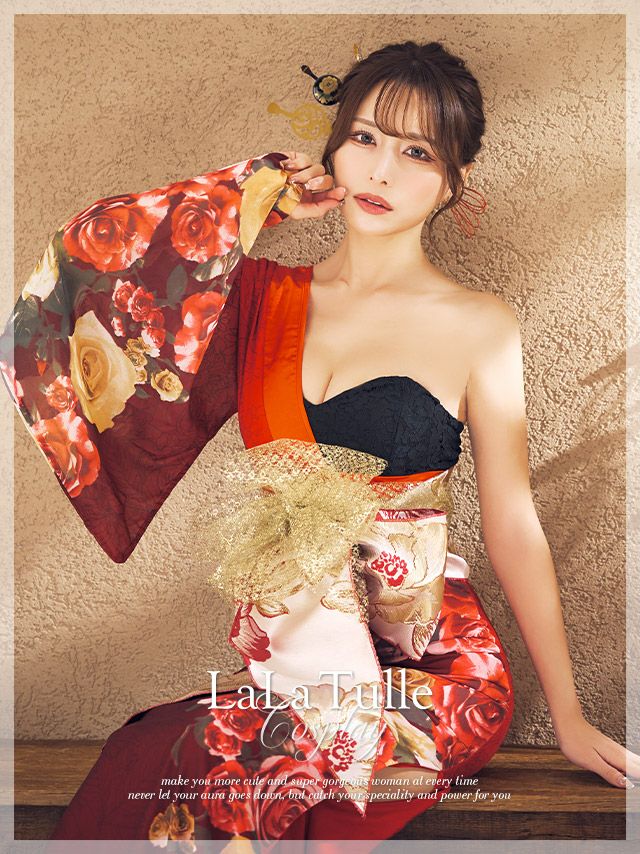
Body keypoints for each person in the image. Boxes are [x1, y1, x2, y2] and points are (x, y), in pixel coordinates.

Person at [2, 39, 638, 849]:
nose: (381, 170)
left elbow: (514, 524)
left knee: (237, 758)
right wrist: (253, 198)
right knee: (157, 753)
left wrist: (570, 716)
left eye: (416, 153)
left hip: (430, 672)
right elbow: (93, 262)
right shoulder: (257, 298)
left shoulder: (480, 324)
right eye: (364, 138)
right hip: (300, 663)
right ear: (333, 151)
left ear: (455, 181)